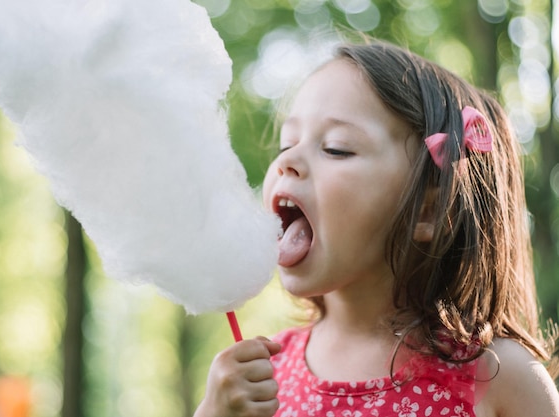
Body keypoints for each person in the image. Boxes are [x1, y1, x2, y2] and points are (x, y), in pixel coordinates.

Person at [193, 40, 559, 417]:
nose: (287, 161)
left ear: (430, 211)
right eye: (287, 144)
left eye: (336, 148)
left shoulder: (499, 377)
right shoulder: (262, 376)